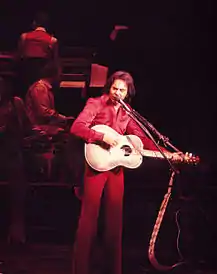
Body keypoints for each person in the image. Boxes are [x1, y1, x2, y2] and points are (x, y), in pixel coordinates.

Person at [70, 71, 183, 274]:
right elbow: (77, 127)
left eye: (122, 90)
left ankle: (114, 269)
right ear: (109, 87)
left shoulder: (127, 112)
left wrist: (168, 154)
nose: (118, 93)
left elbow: (142, 139)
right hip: (96, 164)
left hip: (116, 166)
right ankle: (80, 270)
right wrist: (100, 137)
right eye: (115, 88)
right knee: (89, 218)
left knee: (115, 220)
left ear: (128, 93)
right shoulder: (95, 103)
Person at [0, 76, 32, 245]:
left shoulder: (16, 103)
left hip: (13, 152)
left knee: (17, 173)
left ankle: (17, 226)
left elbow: (28, 126)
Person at [17, 11, 59, 98]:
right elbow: (55, 61)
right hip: (43, 78)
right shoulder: (52, 40)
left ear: (34, 23)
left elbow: (19, 55)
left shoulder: (24, 36)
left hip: (25, 77)